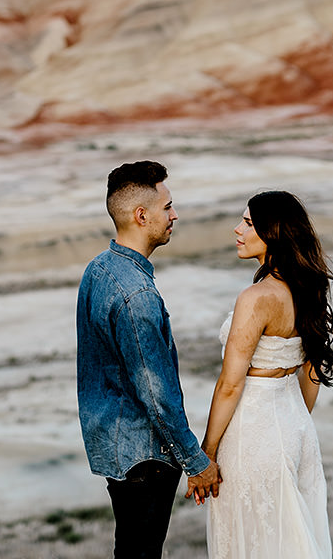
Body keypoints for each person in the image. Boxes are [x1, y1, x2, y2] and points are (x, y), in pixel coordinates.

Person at [77, 160, 222, 558]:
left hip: (114, 446)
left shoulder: (98, 269)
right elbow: (156, 394)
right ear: (141, 215)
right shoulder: (136, 295)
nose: (174, 215)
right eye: (168, 207)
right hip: (145, 456)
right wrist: (196, 461)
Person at [197, 190, 333, 559]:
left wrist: (206, 454)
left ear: (272, 232)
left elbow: (230, 384)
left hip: (254, 431)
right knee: (291, 538)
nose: (237, 229)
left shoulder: (256, 298)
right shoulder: (309, 287)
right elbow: (312, 373)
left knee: (252, 542)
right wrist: (295, 424)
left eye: (247, 222)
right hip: (296, 428)